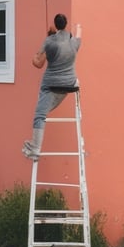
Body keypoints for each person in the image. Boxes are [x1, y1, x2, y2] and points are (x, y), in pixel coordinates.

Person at [21, 13, 81, 160]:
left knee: (39, 115)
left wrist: (37, 55)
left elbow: (37, 63)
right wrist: (76, 28)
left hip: (51, 85)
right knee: (48, 104)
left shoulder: (49, 42)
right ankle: (35, 143)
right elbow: (78, 32)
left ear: (55, 24)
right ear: (65, 24)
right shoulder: (74, 42)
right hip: (70, 84)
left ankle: (35, 148)